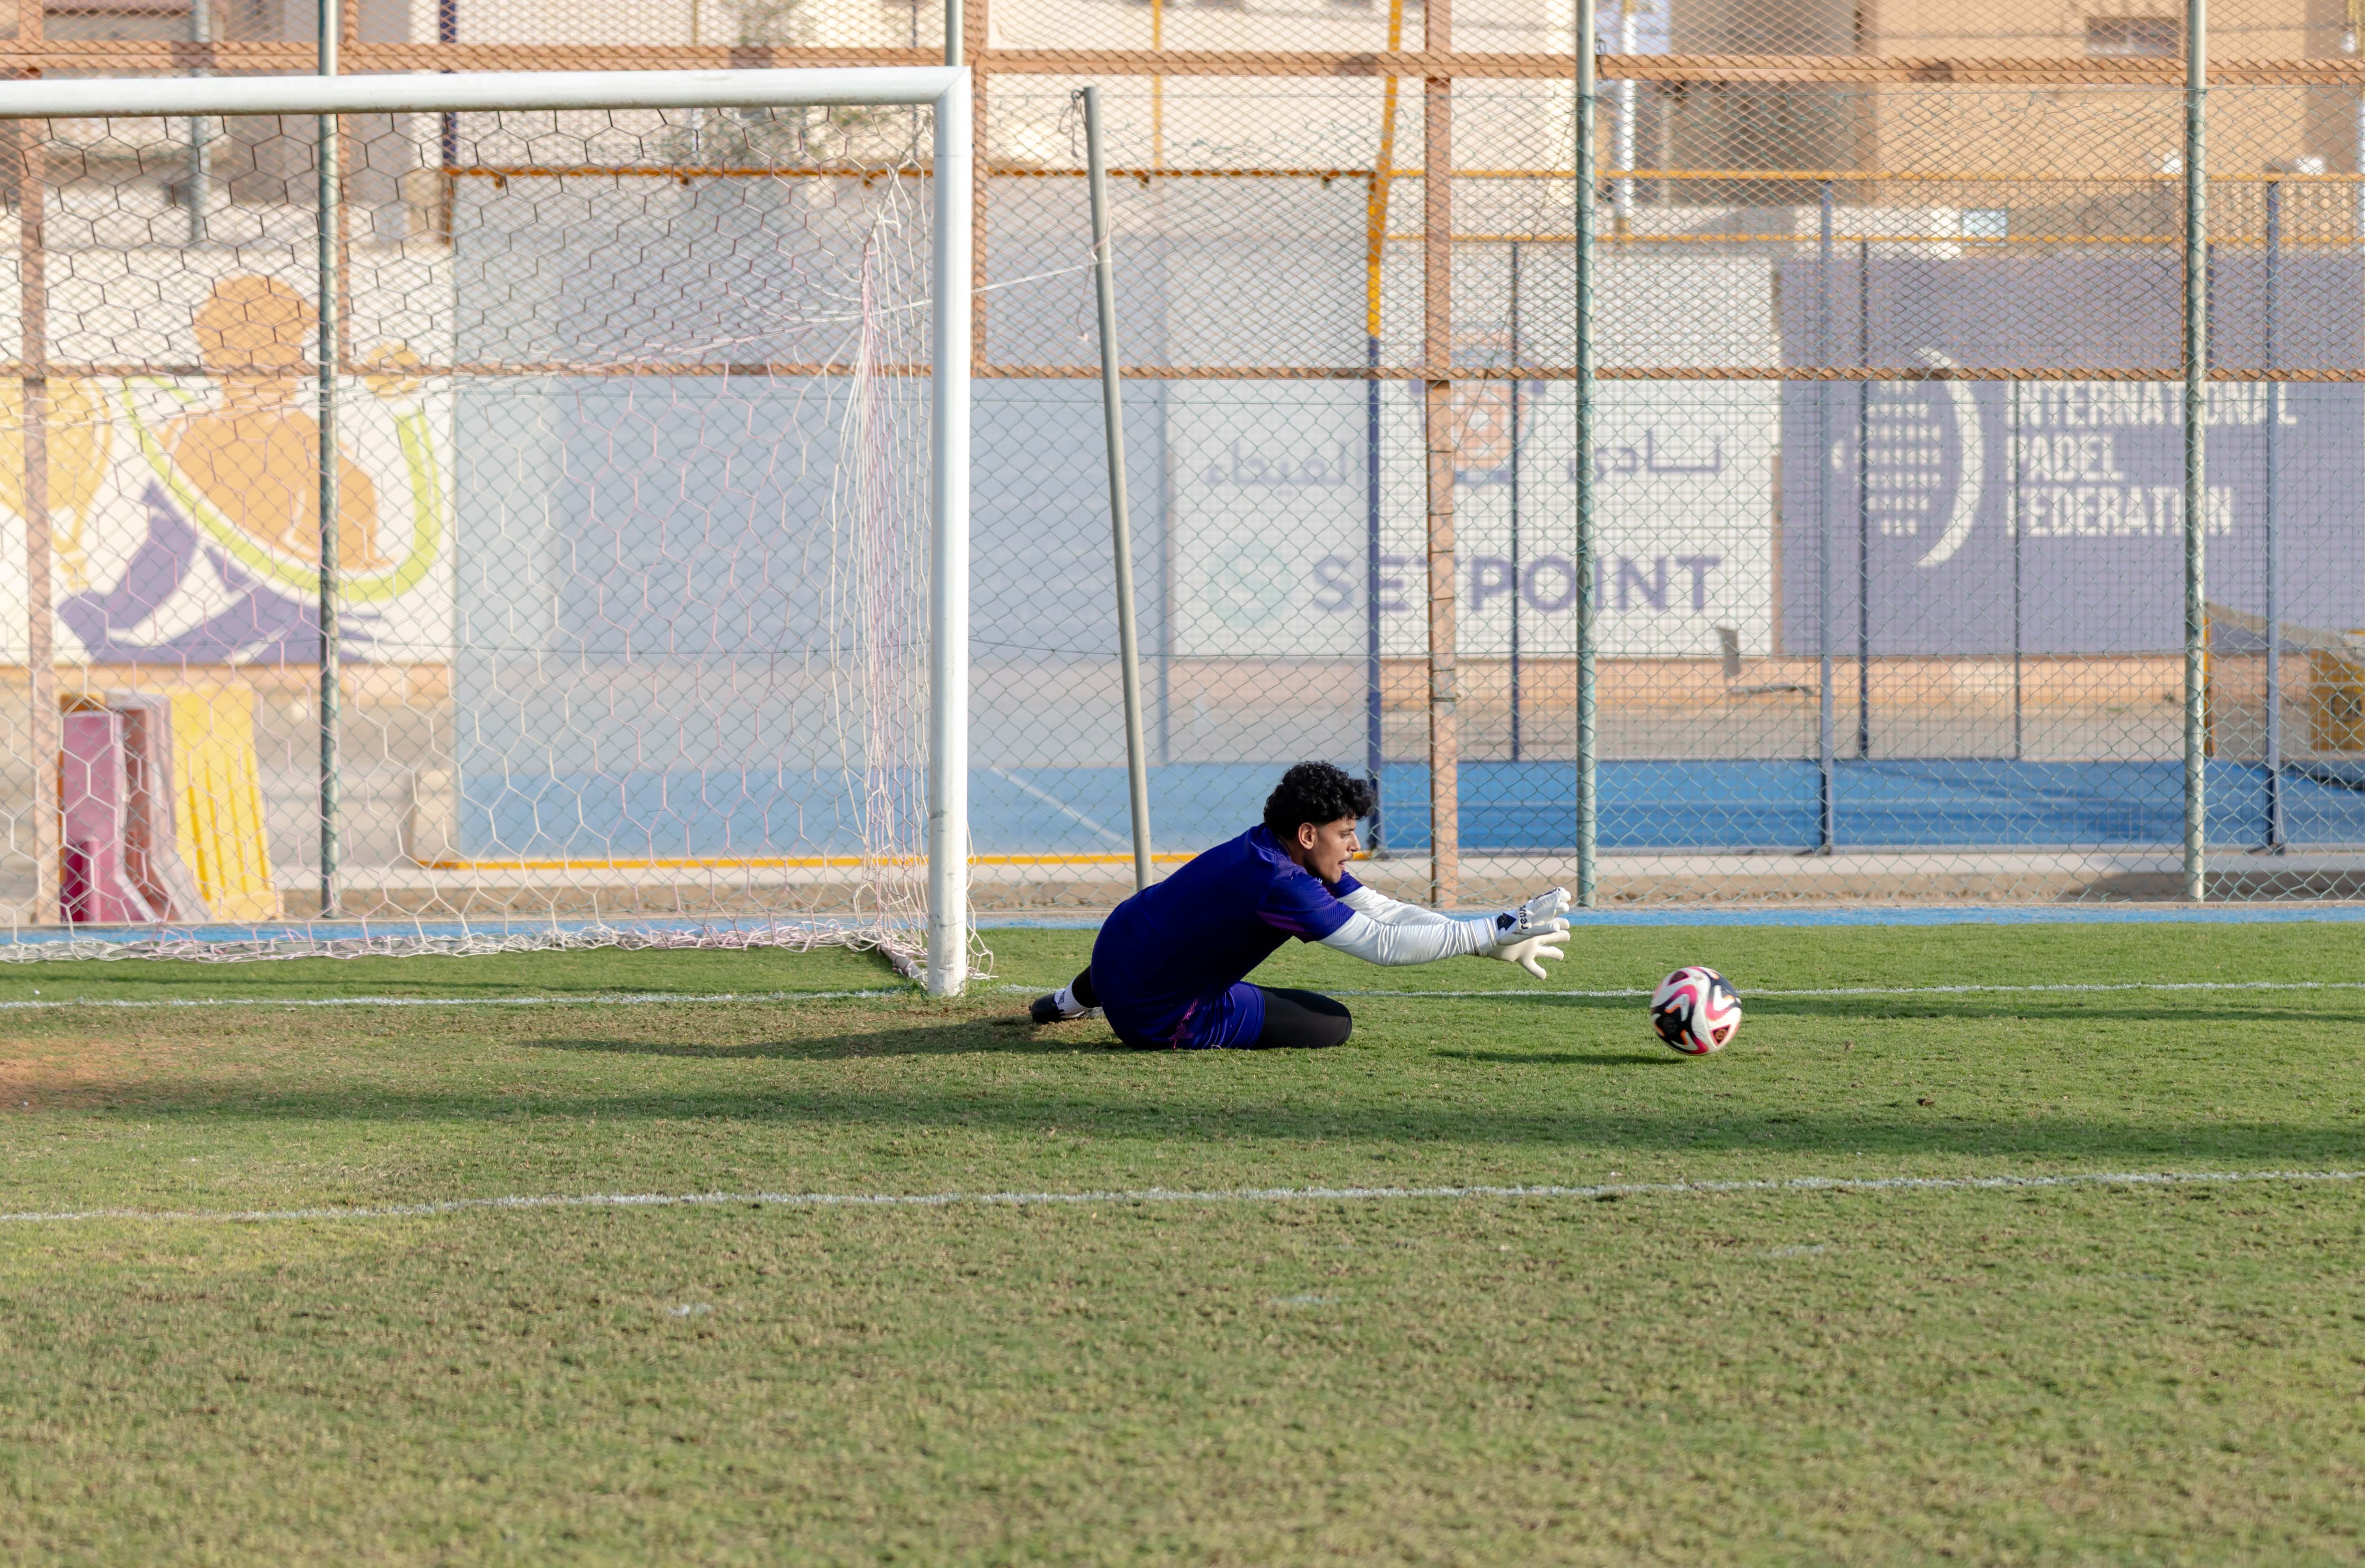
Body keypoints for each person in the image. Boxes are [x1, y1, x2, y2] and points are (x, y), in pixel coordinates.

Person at [1029, 760, 1570, 1049]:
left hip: (1113, 955)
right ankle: (1110, 1007)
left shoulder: (1267, 845)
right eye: (1345, 833)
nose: (1354, 844)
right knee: (1330, 1023)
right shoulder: (1282, 883)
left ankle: (1061, 1003)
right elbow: (1381, 944)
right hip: (1153, 1019)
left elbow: (1380, 910)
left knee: (1165, 933)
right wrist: (1500, 925)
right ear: (1308, 834)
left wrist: (1483, 943)